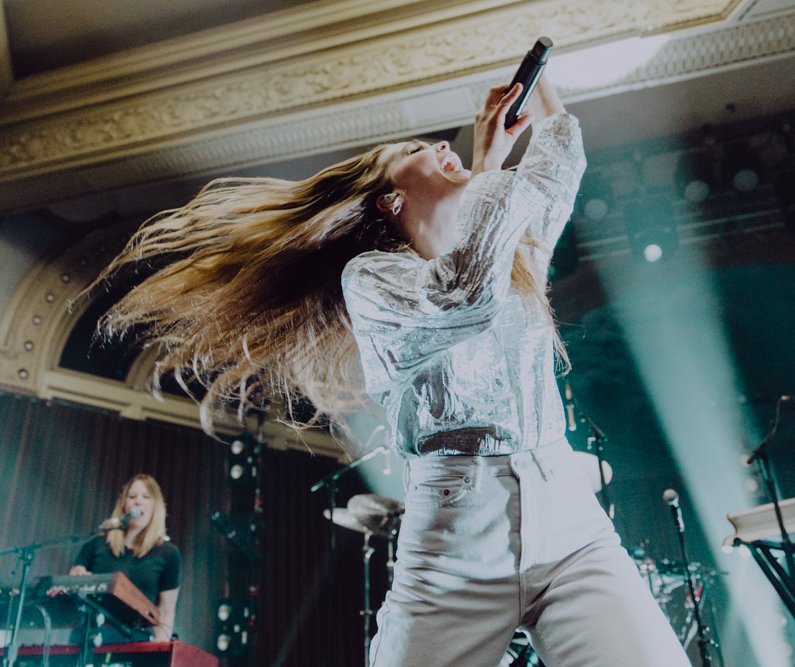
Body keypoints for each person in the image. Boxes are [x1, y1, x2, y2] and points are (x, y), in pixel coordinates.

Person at [90, 75, 688, 665]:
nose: (438, 146)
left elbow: (558, 168)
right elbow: (462, 295)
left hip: (570, 521)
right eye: (414, 150)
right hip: (455, 543)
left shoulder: (514, 252)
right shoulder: (375, 280)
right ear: (390, 200)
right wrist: (486, 169)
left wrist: (544, 87)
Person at [70, 474, 180, 642]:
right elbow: (73, 582)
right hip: (88, 635)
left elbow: (166, 610)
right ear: (124, 504)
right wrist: (76, 576)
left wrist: (159, 649)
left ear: (155, 506)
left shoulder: (168, 553)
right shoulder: (97, 541)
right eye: (132, 496)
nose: (138, 502)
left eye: (145, 497)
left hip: (134, 639)